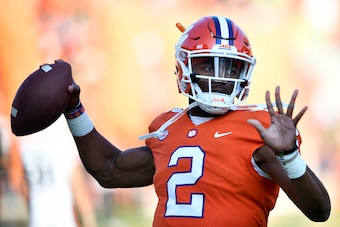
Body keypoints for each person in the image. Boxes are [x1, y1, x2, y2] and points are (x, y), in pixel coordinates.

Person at [61, 16, 330, 226]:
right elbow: (108, 170)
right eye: (208, 65)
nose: (221, 77)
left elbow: (319, 211)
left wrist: (290, 156)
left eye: (230, 67)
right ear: (184, 67)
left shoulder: (257, 131)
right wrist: (74, 110)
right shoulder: (168, 129)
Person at [15, 117, 98, 227]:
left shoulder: (25, 142)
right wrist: (89, 221)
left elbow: (23, 185)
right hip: (63, 219)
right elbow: (78, 186)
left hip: (37, 219)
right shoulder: (64, 140)